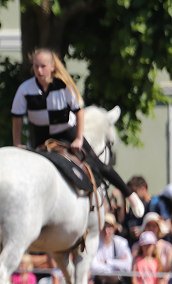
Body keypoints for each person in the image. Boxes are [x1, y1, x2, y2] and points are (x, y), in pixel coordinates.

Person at [11, 48, 142, 217]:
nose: (39, 70)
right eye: (36, 66)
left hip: (66, 130)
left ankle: (130, 195)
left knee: (97, 163)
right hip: (41, 134)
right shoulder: (25, 89)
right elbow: (17, 118)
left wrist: (79, 138)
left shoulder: (64, 85)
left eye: (43, 66)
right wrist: (16, 144)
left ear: (52, 67)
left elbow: (79, 112)